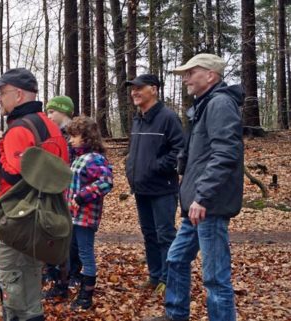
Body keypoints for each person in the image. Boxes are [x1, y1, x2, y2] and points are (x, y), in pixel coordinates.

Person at [145, 53, 243, 321]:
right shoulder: (204, 105)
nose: (185, 78)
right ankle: (176, 314)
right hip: (195, 206)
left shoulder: (220, 103)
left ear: (210, 75)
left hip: (208, 205)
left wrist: (202, 196)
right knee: (176, 259)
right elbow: (200, 155)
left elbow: (226, 154)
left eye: (191, 72)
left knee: (215, 277)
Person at [0, 68, 68, 321]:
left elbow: (14, 177)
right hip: (41, 215)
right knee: (30, 279)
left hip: (18, 218)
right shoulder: (48, 126)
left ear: (19, 94)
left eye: (2, 93)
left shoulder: (19, 129)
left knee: (13, 282)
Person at [124, 74, 185, 295]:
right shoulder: (138, 118)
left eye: (139, 88)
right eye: (133, 89)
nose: (134, 92)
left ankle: (168, 279)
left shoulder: (168, 117)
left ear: (154, 89)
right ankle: (154, 275)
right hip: (141, 188)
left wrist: (155, 167)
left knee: (165, 234)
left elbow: (180, 150)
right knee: (149, 234)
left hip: (162, 188)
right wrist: (131, 167)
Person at [48, 116, 113, 310]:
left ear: (87, 137)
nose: (70, 140)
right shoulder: (77, 158)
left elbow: (106, 182)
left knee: (85, 254)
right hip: (71, 217)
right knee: (68, 252)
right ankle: (63, 286)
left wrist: (81, 197)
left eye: (74, 136)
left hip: (85, 217)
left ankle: (86, 295)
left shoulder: (95, 159)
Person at [42, 95, 76, 284]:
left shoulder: (75, 135)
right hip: (53, 188)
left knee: (67, 233)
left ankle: (69, 272)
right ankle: (53, 270)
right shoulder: (52, 134)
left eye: (52, 112)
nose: (49, 116)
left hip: (69, 191)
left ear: (64, 111)